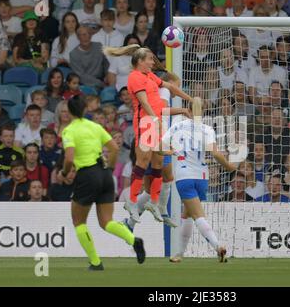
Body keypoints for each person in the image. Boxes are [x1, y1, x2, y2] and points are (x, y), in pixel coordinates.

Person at [104, 44, 192, 222]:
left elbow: (171, 86)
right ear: (140, 61)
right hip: (146, 123)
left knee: (158, 163)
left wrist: (190, 99)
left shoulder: (149, 75)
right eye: (150, 59)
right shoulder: (135, 77)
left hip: (155, 122)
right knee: (142, 163)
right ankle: (132, 201)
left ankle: (153, 201)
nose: (153, 62)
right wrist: (155, 120)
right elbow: (144, 102)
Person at [59, 95, 146, 270]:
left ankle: (96, 262)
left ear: (69, 112)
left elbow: (69, 157)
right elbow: (114, 148)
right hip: (104, 174)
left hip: (86, 174)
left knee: (79, 222)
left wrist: (64, 172)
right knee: (107, 221)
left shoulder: (69, 131)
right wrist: (110, 169)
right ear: (84, 109)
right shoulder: (95, 126)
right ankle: (133, 239)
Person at [162, 97, 237, 263]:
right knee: (187, 214)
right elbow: (216, 154)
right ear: (202, 112)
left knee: (197, 215)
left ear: (187, 110)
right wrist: (229, 166)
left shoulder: (177, 127)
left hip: (184, 176)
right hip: (202, 177)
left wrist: (166, 152)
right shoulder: (207, 129)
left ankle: (218, 246)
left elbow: (160, 146)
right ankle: (179, 254)